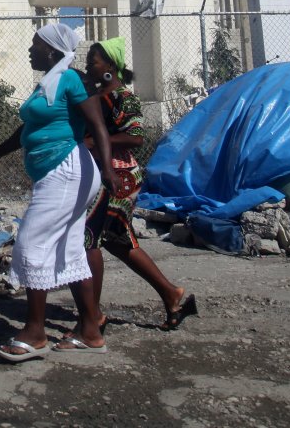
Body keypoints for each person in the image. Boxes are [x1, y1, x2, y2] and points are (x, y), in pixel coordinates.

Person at [0, 23, 117, 362]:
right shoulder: (47, 84)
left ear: (52, 50)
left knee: (32, 243)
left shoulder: (70, 79)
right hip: (57, 173)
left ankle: (35, 332)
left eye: (35, 45)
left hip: (67, 170)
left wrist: (109, 170)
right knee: (69, 251)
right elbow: (30, 126)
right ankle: (90, 332)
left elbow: (97, 124)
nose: (29, 50)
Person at [73, 38, 197, 332]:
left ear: (110, 66)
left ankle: (92, 316)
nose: (89, 64)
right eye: (89, 60)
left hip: (120, 177)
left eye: (94, 60)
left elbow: (137, 137)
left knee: (91, 239)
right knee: (116, 242)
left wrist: (94, 142)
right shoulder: (96, 95)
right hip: (105, 174)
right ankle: (171, 295)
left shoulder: (122, 97)